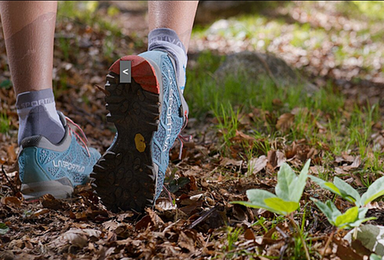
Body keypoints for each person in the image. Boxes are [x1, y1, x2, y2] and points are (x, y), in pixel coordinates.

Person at [0, 1, 198, 213]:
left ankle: (37, 126)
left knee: (39, 112)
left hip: (122, 73)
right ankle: (166, 60)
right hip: (129, 70)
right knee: (144, 65)